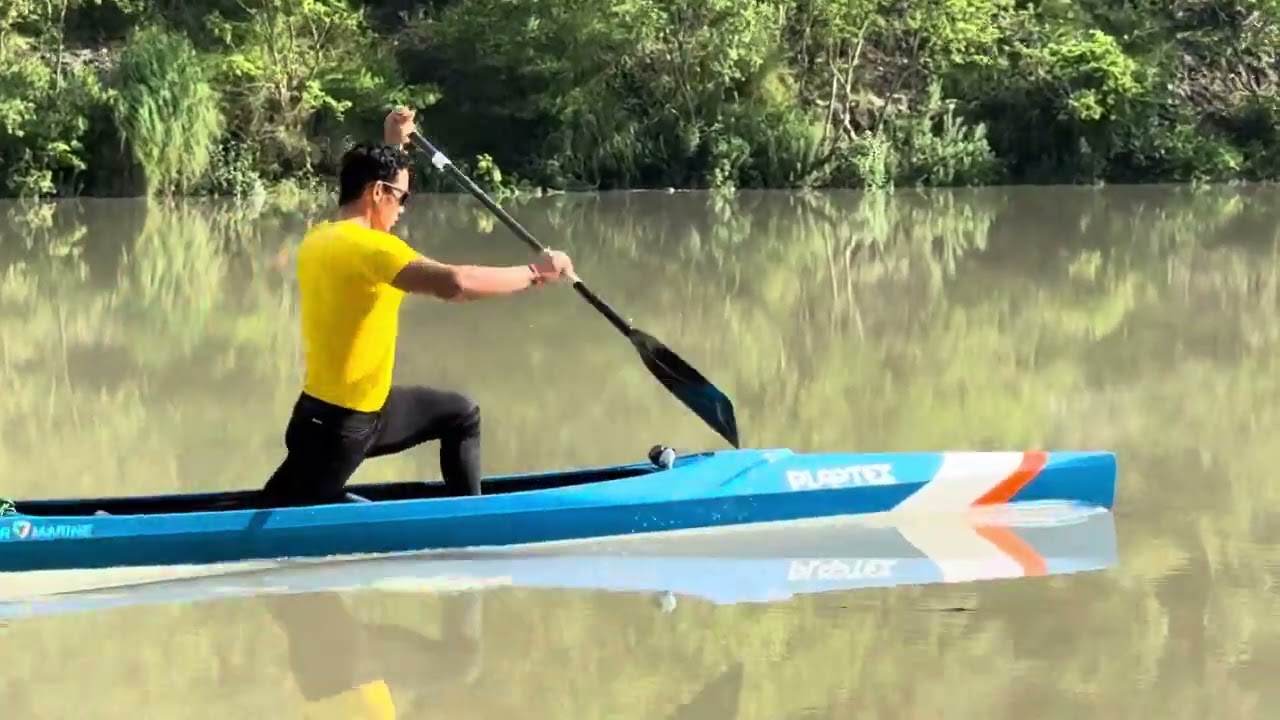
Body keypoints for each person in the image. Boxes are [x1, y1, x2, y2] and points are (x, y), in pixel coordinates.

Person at [259, 107, 574, 508]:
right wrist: (536, 273)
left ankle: (467, 521)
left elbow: (378, 224)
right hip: (342, 430)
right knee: (270, 521)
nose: (403, 208)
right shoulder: (373, 249)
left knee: (460, 414)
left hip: (338, 414)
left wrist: (394, 143)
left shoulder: (321, 237)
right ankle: (457, 531)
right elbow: (455, 284)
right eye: (402, 198)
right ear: (377, 193)